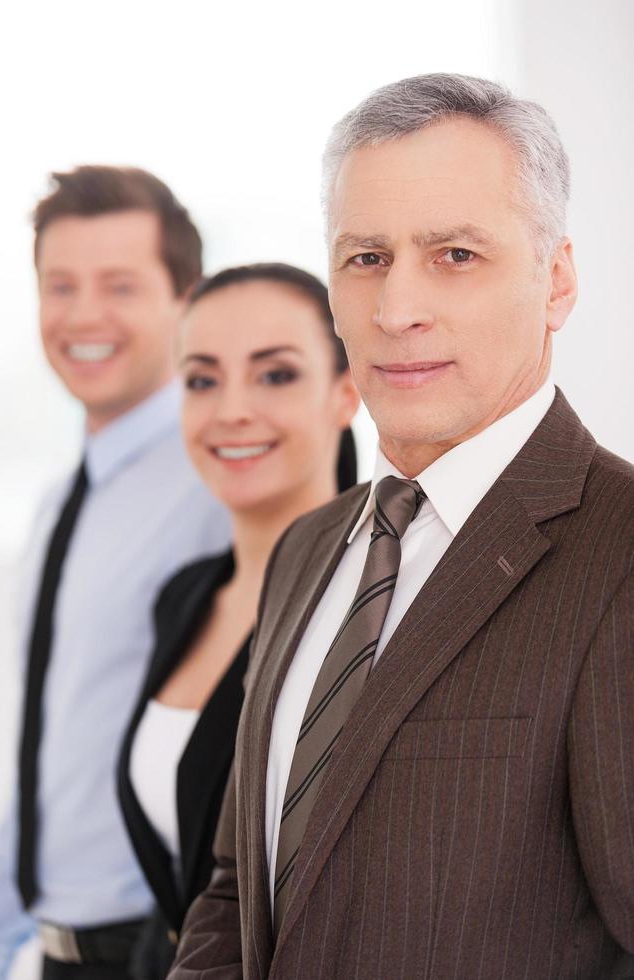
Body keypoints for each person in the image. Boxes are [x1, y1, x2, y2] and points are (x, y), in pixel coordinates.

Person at [170, 74, 634, 980]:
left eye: (456, 254)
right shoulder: (310, 548)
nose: (397, 310)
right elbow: (239, 889)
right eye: (366, 258)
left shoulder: (620, 554)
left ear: (557, 280)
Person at [0, 166, 231, 980]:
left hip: (155, 949)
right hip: (53, 949)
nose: (83, 315)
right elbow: (62, 743)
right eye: (60, 286)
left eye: (118, 285)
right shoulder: (59, 502)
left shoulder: (223, 482)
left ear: (184, 297)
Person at [116, 262, 359, 978]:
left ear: (346, 394)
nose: (231, 410)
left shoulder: (371, 607)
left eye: (275, 375)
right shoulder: (185, 597)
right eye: (201, 379)